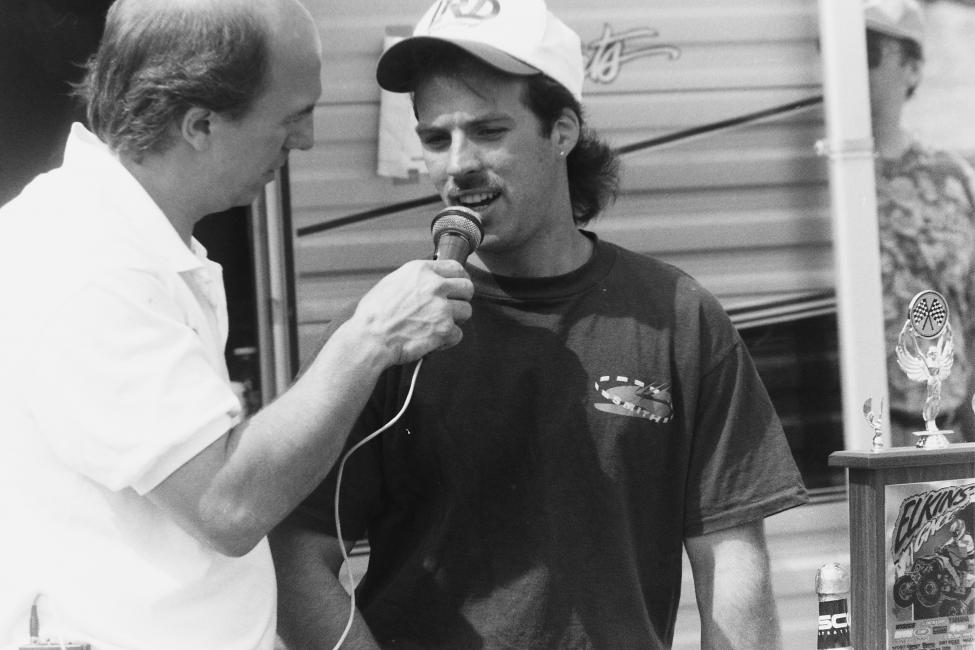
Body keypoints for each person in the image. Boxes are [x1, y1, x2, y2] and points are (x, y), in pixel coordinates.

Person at [269, 1, 808, 647]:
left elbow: (729, 556)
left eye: (488, 130)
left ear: (562, 131)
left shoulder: (676, 314)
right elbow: (297, 558)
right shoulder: (380, 331)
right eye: (435, 139)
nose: (456, 165)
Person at [0, 0, 473, 647]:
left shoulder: (129, 243)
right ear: (201, 124)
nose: (305, 141)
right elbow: (226, 506)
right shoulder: (88, 265)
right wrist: (369, 338)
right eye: (293, 116)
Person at [864, 0, 975, 446]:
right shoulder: (818, 182)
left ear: (912, 69)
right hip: (850, 429)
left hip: (945, 429)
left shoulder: (950, 180)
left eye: (870, 51)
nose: (851, 65)